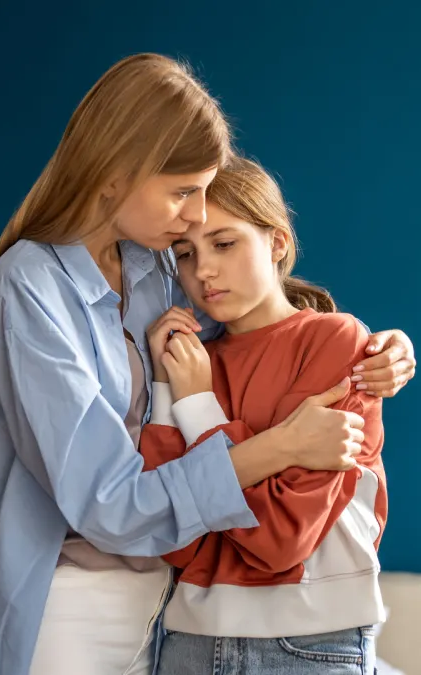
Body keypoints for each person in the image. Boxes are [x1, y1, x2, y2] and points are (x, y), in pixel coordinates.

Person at [0, 53, 417, 675]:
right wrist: (280, 447)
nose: (195, 216)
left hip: (172, 605)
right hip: (67, 601)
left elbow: (258, 319)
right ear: (116, 173)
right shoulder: (28, 291)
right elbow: (109, 503)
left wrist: (380, 347)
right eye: (182, 193)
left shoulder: (157, 269)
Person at [138, 157, 387, 675]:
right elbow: (168, 536)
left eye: (224, 243)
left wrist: (198, 406)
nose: (202, 271)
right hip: (188, 643)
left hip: (310, 645)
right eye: (185, 254)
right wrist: (167, 388)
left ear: (276, 243)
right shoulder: (188, 362)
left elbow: (280, 541)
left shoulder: (335, 341)